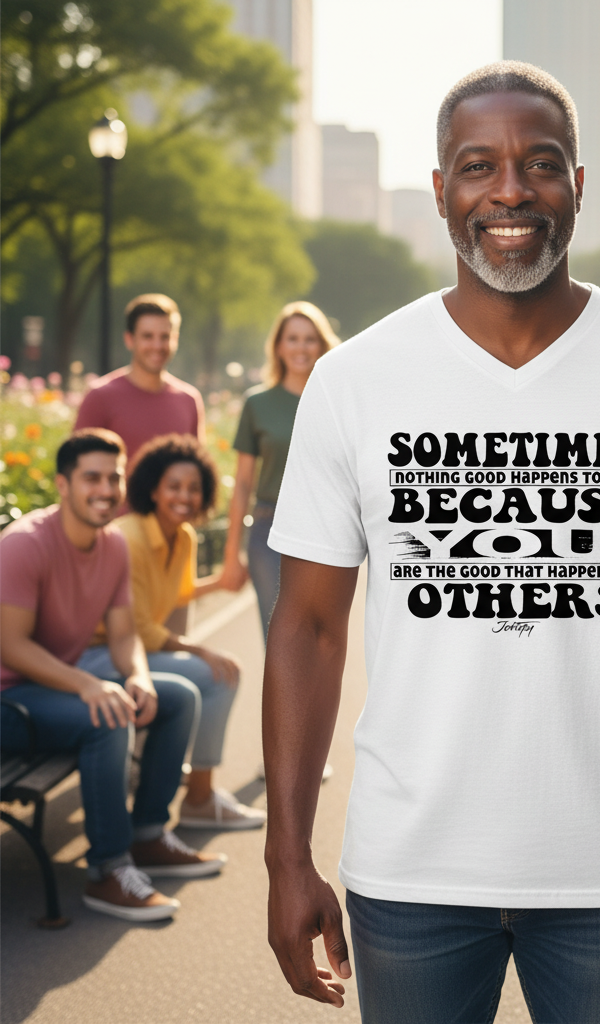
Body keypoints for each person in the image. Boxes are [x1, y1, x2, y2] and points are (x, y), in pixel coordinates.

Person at [263, 61, 600, 1023]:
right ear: (440, 192)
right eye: (477, 166)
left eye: (541, 163)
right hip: (410, 871)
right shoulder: (356, 381)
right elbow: (307, 629)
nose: (510, 190)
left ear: (579, 186)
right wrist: (284, 856)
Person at [0, 429, 226, 923]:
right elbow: (10, 645)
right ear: (63, 484)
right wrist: (87, 684)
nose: (105, 489)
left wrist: (140, 676)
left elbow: (124, 637)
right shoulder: (24, 546)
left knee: (178, 696)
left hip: (46, 689)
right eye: (91, 478)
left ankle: (147, 837)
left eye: (114, 477)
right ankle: (108, 869)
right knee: (107, 714)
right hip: (8, 700)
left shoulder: (113, 547)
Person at [81, 434, 266, 830]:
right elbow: (140, 627)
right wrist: (200, 650)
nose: (185, 496)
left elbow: (179, 592)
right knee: (217, 675)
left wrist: (222, 582)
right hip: (95, 653)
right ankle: (199, 798)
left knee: (217, 673)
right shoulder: (128, 537)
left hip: (130, 650)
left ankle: (198, 796)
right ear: (153, 489)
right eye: (174, 487)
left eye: (194, 488)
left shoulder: (182, 536)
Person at [221, 302, 340, 639]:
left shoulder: (336, 401)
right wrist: (232, 555)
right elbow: (243, 483)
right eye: (292, 338)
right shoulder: (257, 404)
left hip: (325, 527)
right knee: (279, 634)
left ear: (321, 344)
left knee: (320, 634)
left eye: (309, 339)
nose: (301, 347)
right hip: (269, 527)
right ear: (278, 346)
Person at [74, 294, 205, 465]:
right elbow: (78, 471)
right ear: (129, 339)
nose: (157, 346)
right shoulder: (100, 397)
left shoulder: (189, 400)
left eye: (165, 337)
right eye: (147, 336)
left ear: (175, 339)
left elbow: (197, 471)